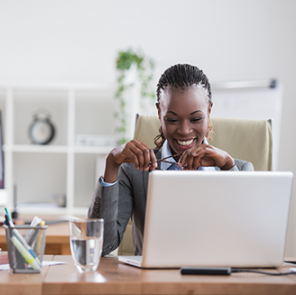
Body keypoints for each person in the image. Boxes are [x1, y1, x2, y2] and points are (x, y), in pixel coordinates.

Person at [88, 64, 254, 256]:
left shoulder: (239, 170)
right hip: (154, 283)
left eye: (195, 119)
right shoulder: (133, 170)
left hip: (216, 282)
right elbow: (100, 246)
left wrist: (228, 167)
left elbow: (247, 245)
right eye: (173, 120)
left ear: (209, 111)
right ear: (159, 113)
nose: (184, 130)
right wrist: (112, 164)